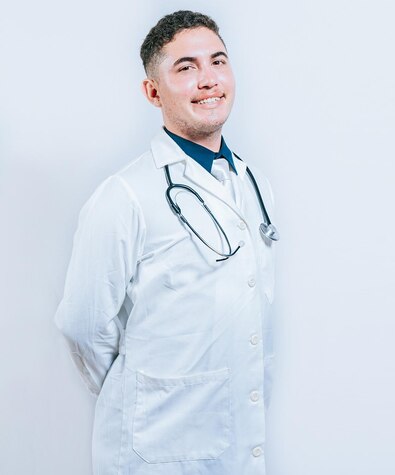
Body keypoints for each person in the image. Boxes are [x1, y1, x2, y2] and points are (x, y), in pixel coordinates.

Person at [54, 10, 278, 475]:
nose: (208, 80)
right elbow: (82, 324)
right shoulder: (125, 196)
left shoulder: (252, 182)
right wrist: (138, 391)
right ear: (152, 92)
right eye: (185, 67)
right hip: (155, 446)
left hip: (237, 437)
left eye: (218, 61)